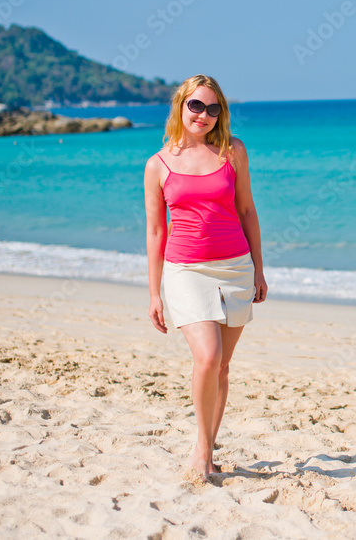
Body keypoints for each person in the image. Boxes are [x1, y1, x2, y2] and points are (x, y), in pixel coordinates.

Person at [143, 74, 268, 479]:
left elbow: (247, 211)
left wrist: (259, 271)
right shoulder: (158, 165)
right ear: (180, 106)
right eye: (196, 105)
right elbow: (156, 231)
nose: (204, 115)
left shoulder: (234, 152)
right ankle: (201, 449)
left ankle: (208, 445)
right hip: (185, 270)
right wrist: (155, 293)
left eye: (214, 109)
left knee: (223, 367)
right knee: (208, 356)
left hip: (235, 268)